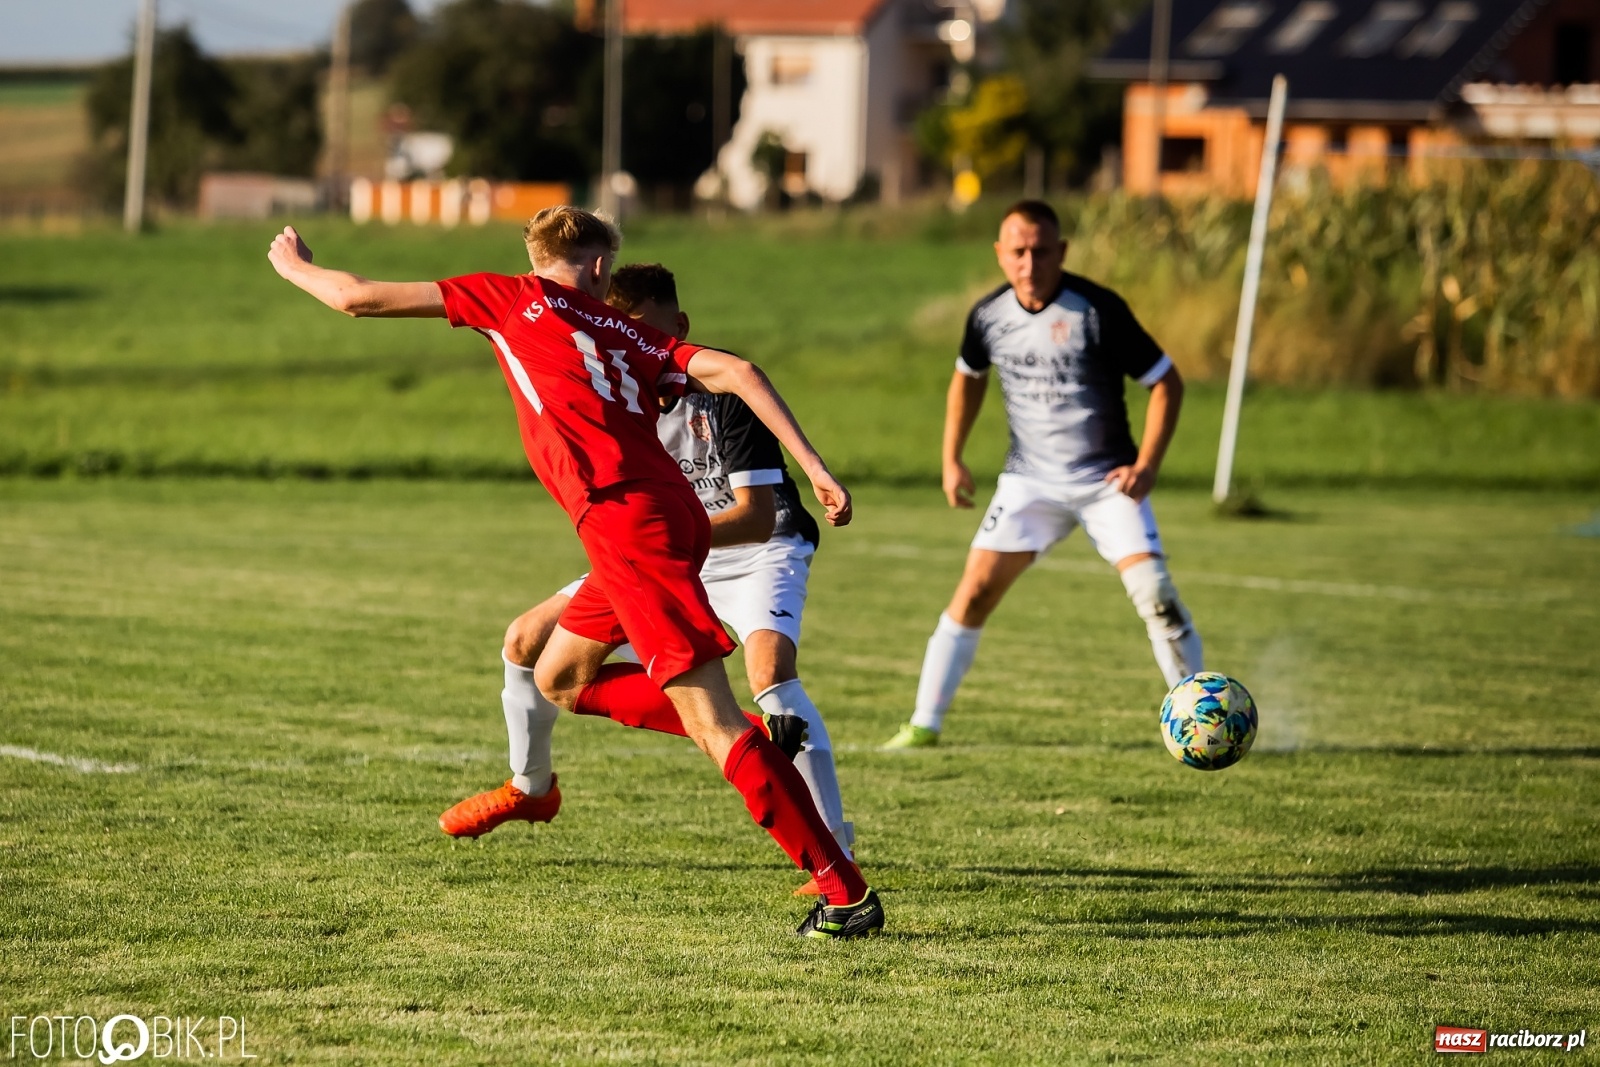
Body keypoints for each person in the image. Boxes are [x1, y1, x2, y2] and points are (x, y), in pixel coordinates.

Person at [267, 206, 882, 939]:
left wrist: (296, 267)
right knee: (559, 672)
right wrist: (813, 468)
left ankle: (844, 893)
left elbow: (356, 297)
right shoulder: (627, 330)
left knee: (710, 718)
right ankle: (730, 742)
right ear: (596, 268)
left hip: (631, 523)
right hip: (668, 515)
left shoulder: (504, 295)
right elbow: (739, 369)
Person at [438, 263, 855, 893]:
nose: (624, 346)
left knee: (770, 676)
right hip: (660, 548)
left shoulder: (713, 391)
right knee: (529, 646)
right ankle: (531, 787)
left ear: (678, 329)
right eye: (613, 331)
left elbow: (756, 515)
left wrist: (657, 541)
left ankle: (836, 847)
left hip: (754, 550)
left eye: (639, 332)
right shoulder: (614, 388)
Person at [883, 199, 1202, 749]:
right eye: (1018, 251)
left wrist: (1147, 464)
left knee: (1154, 591)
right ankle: (923, 724)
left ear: (1062, 252)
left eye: (1041, 250)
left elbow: (1166, 382)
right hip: (1029, 482)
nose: (1029, 262)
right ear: (1001, 255)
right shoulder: (988, 316)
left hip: (1107, 483)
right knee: (974, 592)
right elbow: (968, 377)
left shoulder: (1098, 310)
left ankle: (1197, 723)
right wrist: (951, 457)